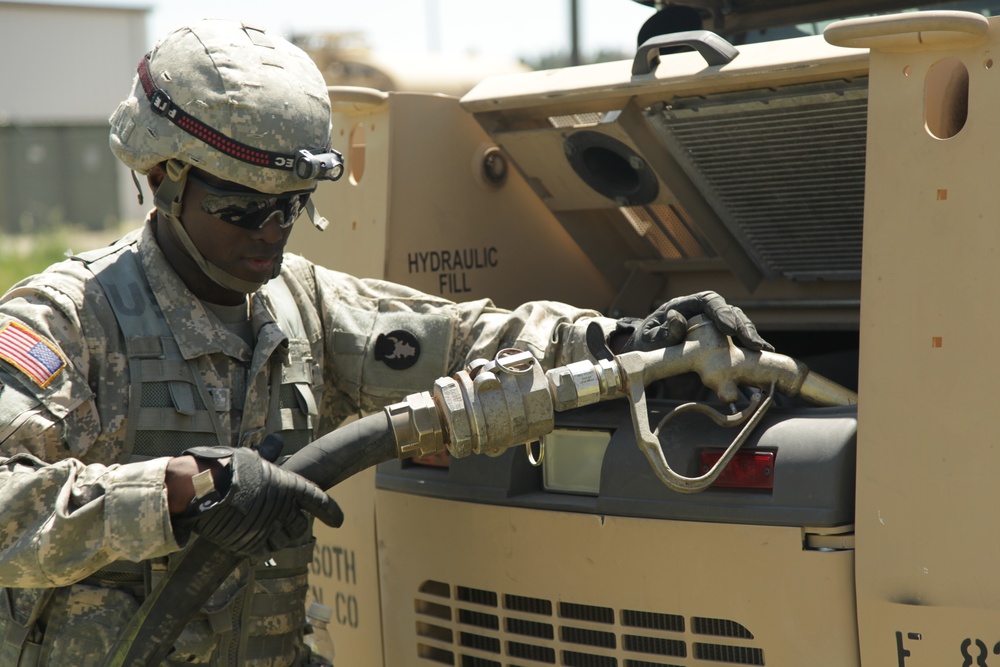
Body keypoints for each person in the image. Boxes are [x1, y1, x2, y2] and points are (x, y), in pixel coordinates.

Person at [0, 19, 770, 667]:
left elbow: (463, 339)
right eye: (242, 209)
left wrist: (628, 336)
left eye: (292, 207)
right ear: (165, 176)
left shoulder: (301, 302)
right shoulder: (69, 320)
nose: (271, 234)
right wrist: (182, 486)